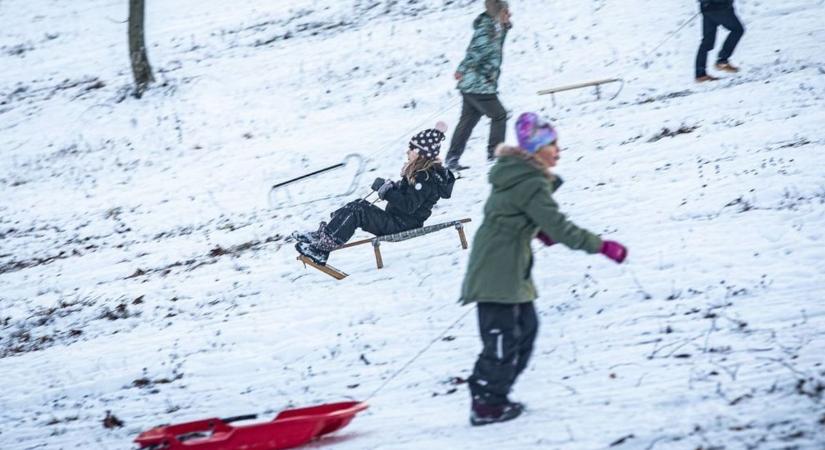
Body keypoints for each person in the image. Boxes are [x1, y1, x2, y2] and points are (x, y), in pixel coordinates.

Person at [459, 112, 628, 426]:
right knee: (503, 339)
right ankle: (485, 402)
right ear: (536, 150)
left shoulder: (519, 176)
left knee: (526, 331)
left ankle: (496, 396)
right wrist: (601, 245)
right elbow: (561, 227)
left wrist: (537, 229)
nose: (558, 151)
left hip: (510, 268)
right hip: (497, 270)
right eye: (552, 144)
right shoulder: (529, 181)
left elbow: (508, 212)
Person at [293, 123, 456, 265]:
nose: (408, 151)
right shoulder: (421, 173)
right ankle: (321, 237)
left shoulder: (424, 177)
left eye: (412, 148)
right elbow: (410, 198)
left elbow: (409, 206)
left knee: (358, 212)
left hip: (402, 225)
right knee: (358, 204)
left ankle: (322, 250)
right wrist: (393, 187)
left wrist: (388, 192)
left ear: (422, 153)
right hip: (398, 220)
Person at [444, 0, 512, 171]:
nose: (509, 14)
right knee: (499, 115)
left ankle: (452, 159)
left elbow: (496, 47)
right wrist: (461, 70)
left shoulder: (494, 28)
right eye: (506, 11)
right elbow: (474, 53)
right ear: (499, 12)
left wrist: (505, 27)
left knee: (467, 121)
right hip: (478, 85)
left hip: (475, 85)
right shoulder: (486, 30)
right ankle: (495, 155)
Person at [695, 0, 745, 82]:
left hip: (707, 8)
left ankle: (700, 74)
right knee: (737, 30)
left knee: (707, 42)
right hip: (720, 8)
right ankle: (722, 61)